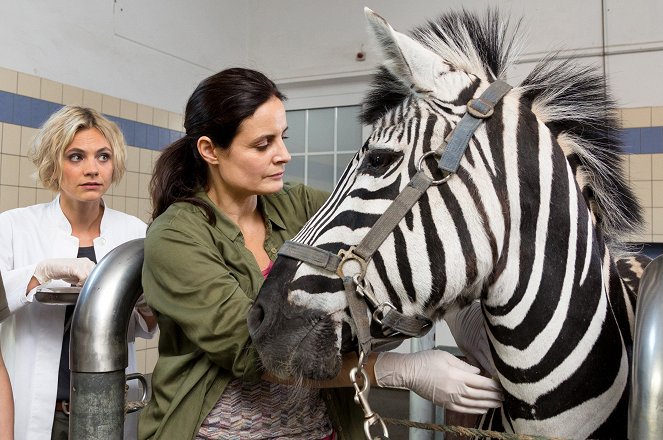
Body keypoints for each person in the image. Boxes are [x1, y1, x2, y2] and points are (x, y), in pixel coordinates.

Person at [139, 67, 502, 440]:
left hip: (320, 428)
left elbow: (387, 249)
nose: (284, 155)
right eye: (262, 145)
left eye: (283, 137)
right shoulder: (176, 236)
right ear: (210, 150)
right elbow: (256, 352)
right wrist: (397, 370)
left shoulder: (301, 206)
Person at [0, 106, 157, 440]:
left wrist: (147, 302)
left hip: (107, 407)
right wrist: (39, 273)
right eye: (76, 157)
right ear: (53, 164)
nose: (92, 169)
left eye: (103, 157)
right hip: (36, 410)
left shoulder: (135, 233)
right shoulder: (14, 226)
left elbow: (149, 325)